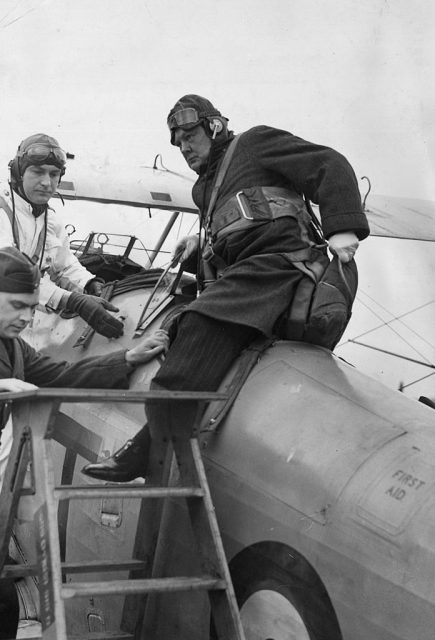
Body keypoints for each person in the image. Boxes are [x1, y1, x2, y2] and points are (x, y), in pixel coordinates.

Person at [82, 93, 370, 483]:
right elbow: (242, 225)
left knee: (197, 325)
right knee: (180, 324)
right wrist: (203, 243)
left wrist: (342, 229)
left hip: (280, 268)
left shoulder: (254, 144)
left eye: (190, 136)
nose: (184, 147)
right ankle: (154, 436)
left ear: (215, 126)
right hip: (251, 278)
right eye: (178, 142)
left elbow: (329, 164)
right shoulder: (204, 189)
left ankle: (148, 450)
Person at [0, 245, 168, 640]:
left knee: (4, 602)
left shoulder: (15, 348)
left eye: (31, 307)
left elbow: (60, 374)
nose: (27, 318)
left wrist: (125, 359)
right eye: (16, 306)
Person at [0, 133, 124, 339]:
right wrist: (70, 300)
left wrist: (89, 283)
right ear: (18, 172)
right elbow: (9, 277)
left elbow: (64, 264)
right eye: (38, 172)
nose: (47, 183)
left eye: (54, 174)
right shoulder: (2, 210)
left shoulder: (49, 219)